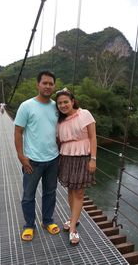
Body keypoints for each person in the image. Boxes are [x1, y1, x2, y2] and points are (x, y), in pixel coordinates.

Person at [14, 70, 60, 241]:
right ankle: (29, 225)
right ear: (38, 84)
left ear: (54, 86)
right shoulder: (26, 106)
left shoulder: (57, 106)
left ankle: (47, 221)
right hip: (32, 160)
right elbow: (18, 131)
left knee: (50, 192)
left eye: (50, 83)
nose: (47, 86)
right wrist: (21, 156)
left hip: (53, 159)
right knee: (28, 195)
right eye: (44, 83)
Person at [55, 88, 97, 246]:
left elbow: (93, 137)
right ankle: (74, 218)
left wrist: (93, 159)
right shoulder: (60, 121)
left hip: (83, 157)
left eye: (66, 101)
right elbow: (58, 141)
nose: (63, 105)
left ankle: (72, 227)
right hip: (66, 157)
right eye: (60, 103)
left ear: (72, 101)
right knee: (71, 190)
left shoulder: (84, 114)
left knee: (79, 192)